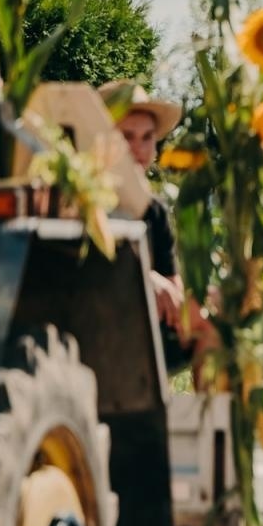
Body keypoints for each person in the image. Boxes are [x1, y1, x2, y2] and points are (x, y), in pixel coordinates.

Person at [99, 80, 187, 341]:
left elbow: (174, 290)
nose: (139, 148)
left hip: (143, 333)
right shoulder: (78, 199)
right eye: (127, 136)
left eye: (148, 137)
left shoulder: (155, 209)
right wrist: (142, 278)